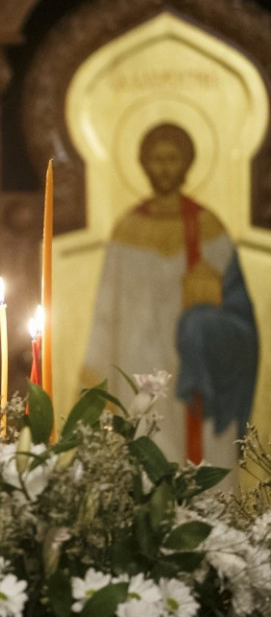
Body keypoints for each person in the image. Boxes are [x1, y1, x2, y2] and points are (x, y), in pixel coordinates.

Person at [83, 123, 257, 469]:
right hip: (135, 360)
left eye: (172, 159)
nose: (164, 168)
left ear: (187, 163)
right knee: (143, 449)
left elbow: (241, 318)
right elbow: (105, 311)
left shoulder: (211, 228)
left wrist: (205, 327)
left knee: (202, 468)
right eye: (156, 159)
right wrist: (93, 380)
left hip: (196, 368)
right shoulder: (126, 230)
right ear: (143, 164)